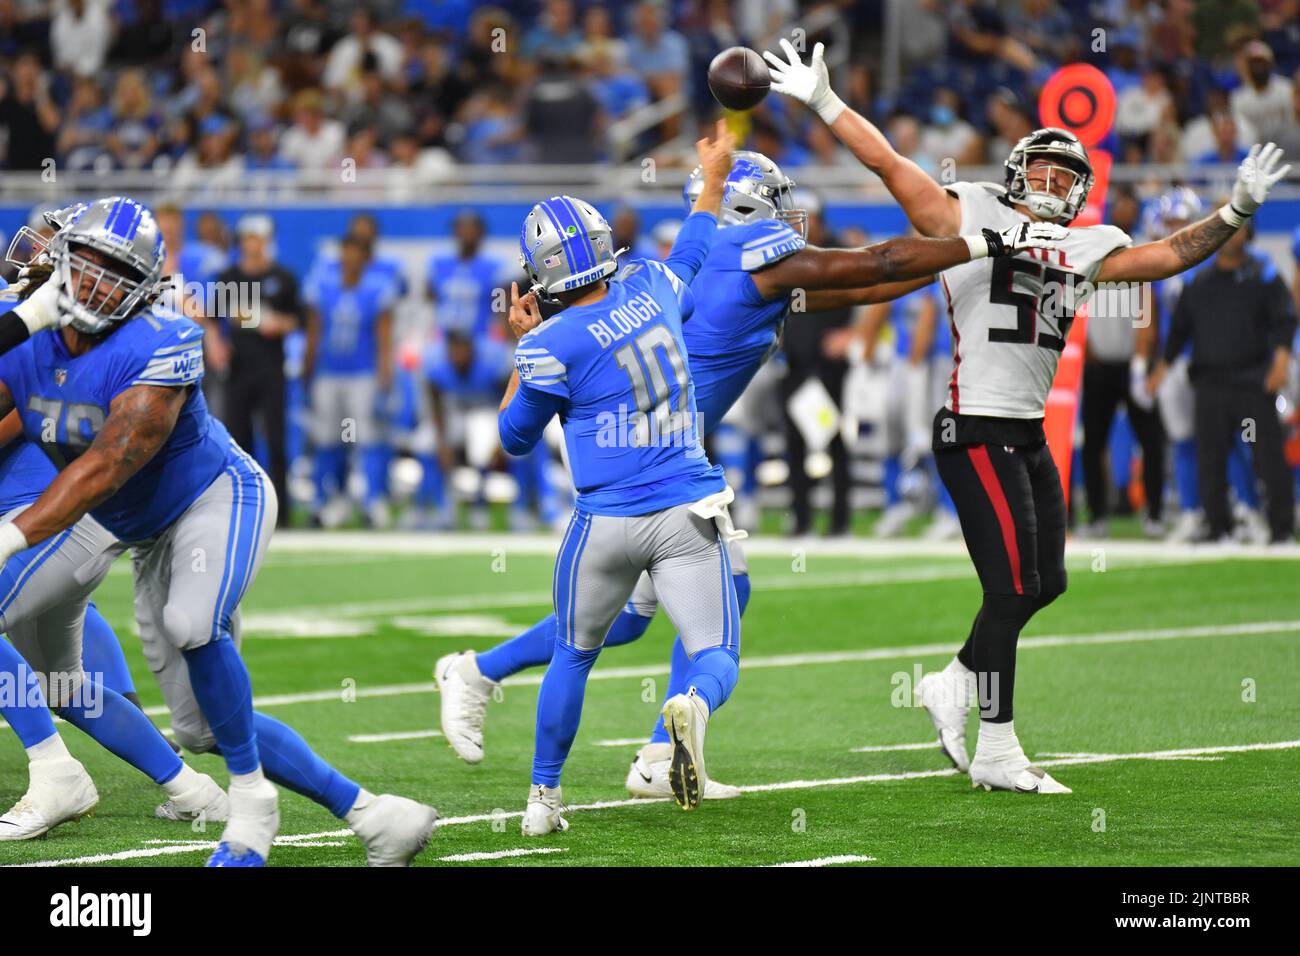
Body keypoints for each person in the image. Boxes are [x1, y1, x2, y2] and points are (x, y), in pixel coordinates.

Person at [436, 142, 1067, 803]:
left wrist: (955, 271)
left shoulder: (731, 266)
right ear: (748, 208)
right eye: (777, 203)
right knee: (689, 606)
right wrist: (983, 246)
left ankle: (494, 679)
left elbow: (866, 282)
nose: (790, 217)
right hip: (649, 462)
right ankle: (627, 738)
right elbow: (873, 262)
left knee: (628, 617)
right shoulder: (748, 254)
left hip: (658, 455)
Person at [767, 38, 1290, 792]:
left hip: (1025, 430)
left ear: (1081, 191)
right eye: (1039, 168)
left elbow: (1170, 254)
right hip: (971, 426)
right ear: (1013, 174)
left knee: (1045, 584)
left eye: (1065, 175)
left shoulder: (1089, 244)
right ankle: (998, 749)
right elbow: (891, 166)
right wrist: (826, 102)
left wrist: (1235, 208)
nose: (1050, 182)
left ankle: (951, 681)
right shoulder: (970, 210)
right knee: (1009, 589)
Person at [0, 197, 436, 866]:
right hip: (145, 536)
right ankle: (376, 815)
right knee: (200, 728)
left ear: (144, 287)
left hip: (214, 498)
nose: (93, 286)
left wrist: (10, 534)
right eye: (82, 266)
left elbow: (108, 465)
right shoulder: (33, 343)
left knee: (192, 622)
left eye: (113, 274)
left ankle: (252, 816)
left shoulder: (162, 337)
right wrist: (19, 323)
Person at [1149, 215, 1297, 543]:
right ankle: (1219, 528)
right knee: (1210, 457)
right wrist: (1160, 369)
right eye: (1225, 229)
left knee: (1266, 453)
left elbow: (1284, 320)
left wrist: (1281, 362)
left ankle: (1280, 527)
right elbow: (1179, 331)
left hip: (1252, 383)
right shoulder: (1199, 282)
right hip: (1210, 384)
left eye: (1238, 228)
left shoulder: (1263, 277)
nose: (1231, 236)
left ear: (1249, 233)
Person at [303, 234, 395, 528]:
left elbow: (384, 335)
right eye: (347, 251)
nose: (350, 258)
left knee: (367, 438)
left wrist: (384, 374)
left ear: (365, 257)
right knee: (328, 439)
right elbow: (314, 332)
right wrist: (308, 368)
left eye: (357, 252)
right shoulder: (323, 284)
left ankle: (373, 501)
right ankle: (328, 500)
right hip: (329, 373)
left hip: (362, 374)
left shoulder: (377, 287)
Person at [215, 214, 301, 527]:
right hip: (239, 369)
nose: (253, 244)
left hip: (271, 367)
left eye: (258, 238)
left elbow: (297, 318)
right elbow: (223, 316)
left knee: (276, 440)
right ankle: (247, 511)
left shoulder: (283, 277)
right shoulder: (229, 276)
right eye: (249, 237)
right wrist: (259, 321)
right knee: (239, 441)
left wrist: (280, 324)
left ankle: (283, 514)